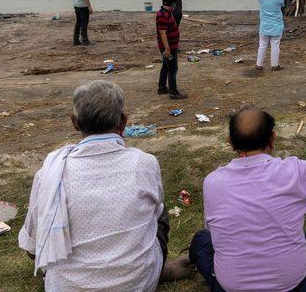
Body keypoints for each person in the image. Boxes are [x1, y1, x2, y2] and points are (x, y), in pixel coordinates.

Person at [18, 80, 192, 291]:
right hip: (137, 284)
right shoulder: (144, 163)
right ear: (123, 121)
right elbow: (154, 218)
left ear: (74, 122)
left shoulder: (50, 172)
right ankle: (153, 268)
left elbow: (32, 249)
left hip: (65, 287)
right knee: (159, 214)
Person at [189, 107, 306, 292]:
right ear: (273, 138)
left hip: (229, 289)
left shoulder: (212, 182)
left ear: (230, 142)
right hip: (297, 287)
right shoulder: (295, 171)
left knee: (202, 240)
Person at [157, 0, 186, 99]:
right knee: (173, 69)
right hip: (169, 47)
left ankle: (162, 87)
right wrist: (167, 49)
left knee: (166, 66)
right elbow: (162, 32)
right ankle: (173, 92)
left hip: (171, 45)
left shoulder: (167, 13)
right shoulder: (163, 15)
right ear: (172, 4)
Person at [256, 0, 285, 71]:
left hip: (264, 25)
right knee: (275, 45)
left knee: (262, 44)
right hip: (276, 25)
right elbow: (282, 5)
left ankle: (259, 64)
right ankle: (274, 65)